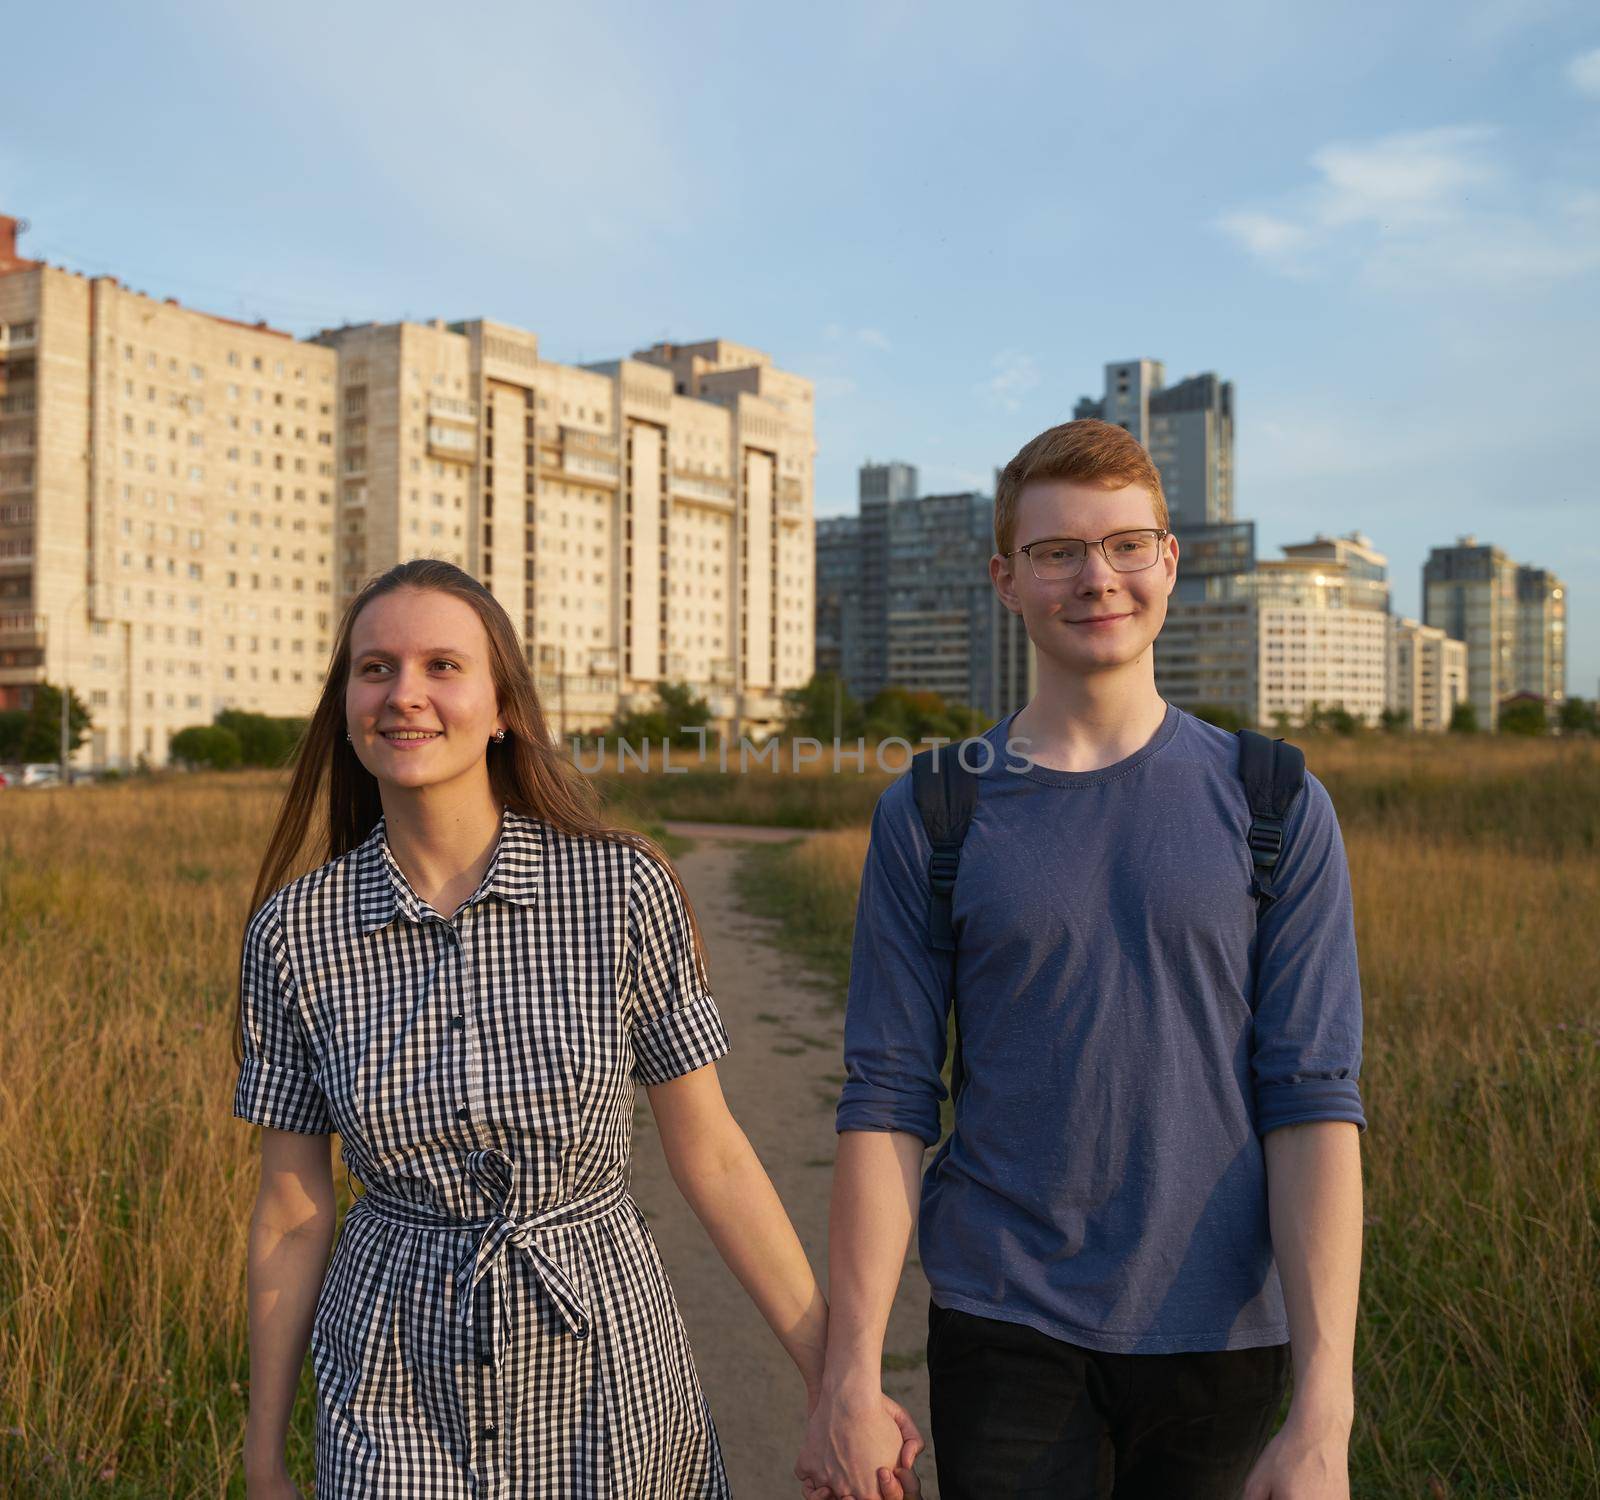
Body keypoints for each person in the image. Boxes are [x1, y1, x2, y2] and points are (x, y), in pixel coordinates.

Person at [232, 558, 922, 1497]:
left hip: (605, 1362)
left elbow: (712, 1153)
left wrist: (829, 1377)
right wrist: (264, 1453)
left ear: (503, 703)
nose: (406, 696)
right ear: (346, 703)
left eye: (443, 666)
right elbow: (291, 1208)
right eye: (376, 669)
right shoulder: (294, 932)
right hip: (393, 1373)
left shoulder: (620, 889)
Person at [798, 420, 1366, 1500]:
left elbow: (1314, 1104)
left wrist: (1323, 1415)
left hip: (1225, 1332)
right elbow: (886, 1100)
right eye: (1057, 551)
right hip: (1003, 1320)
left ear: (1169, 561)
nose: (1095, 577)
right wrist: (849, 1378)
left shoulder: (1275, 802)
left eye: (1124, 545)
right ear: (1006, 579)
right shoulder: (933, 808)